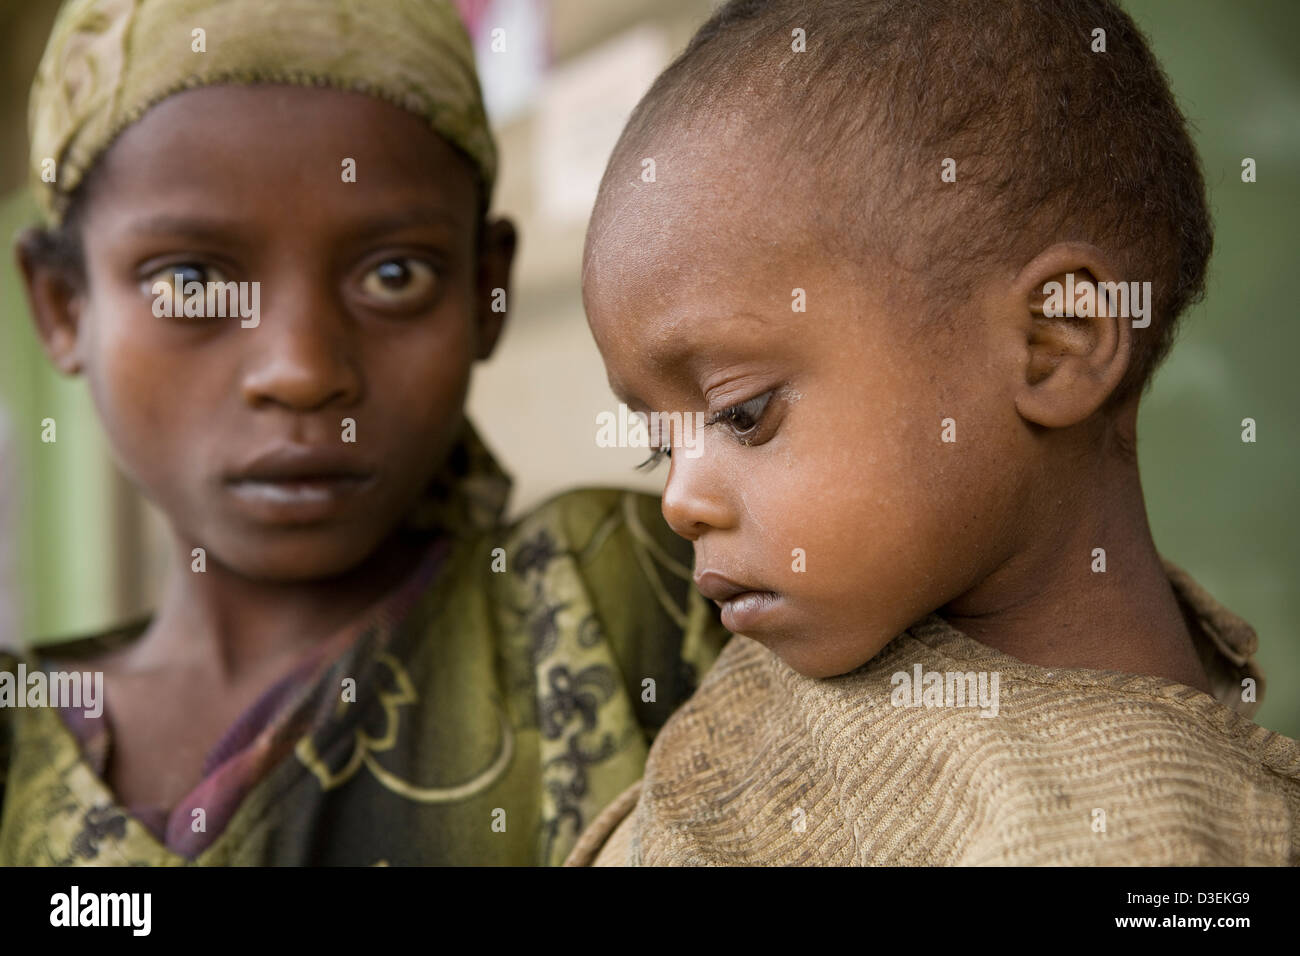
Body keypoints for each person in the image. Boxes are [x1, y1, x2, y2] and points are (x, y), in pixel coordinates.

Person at [568, 0, 1300, 865]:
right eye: (661, 442)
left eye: (742, 413)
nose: (678, 500)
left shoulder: (1134, 843)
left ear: (1053, 344)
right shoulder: (842, 624)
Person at [0, 0, 726, 866]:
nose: (302, 370)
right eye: (192, 282)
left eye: (394, 274)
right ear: (62, 306)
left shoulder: (618, 595)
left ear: (485, 290)